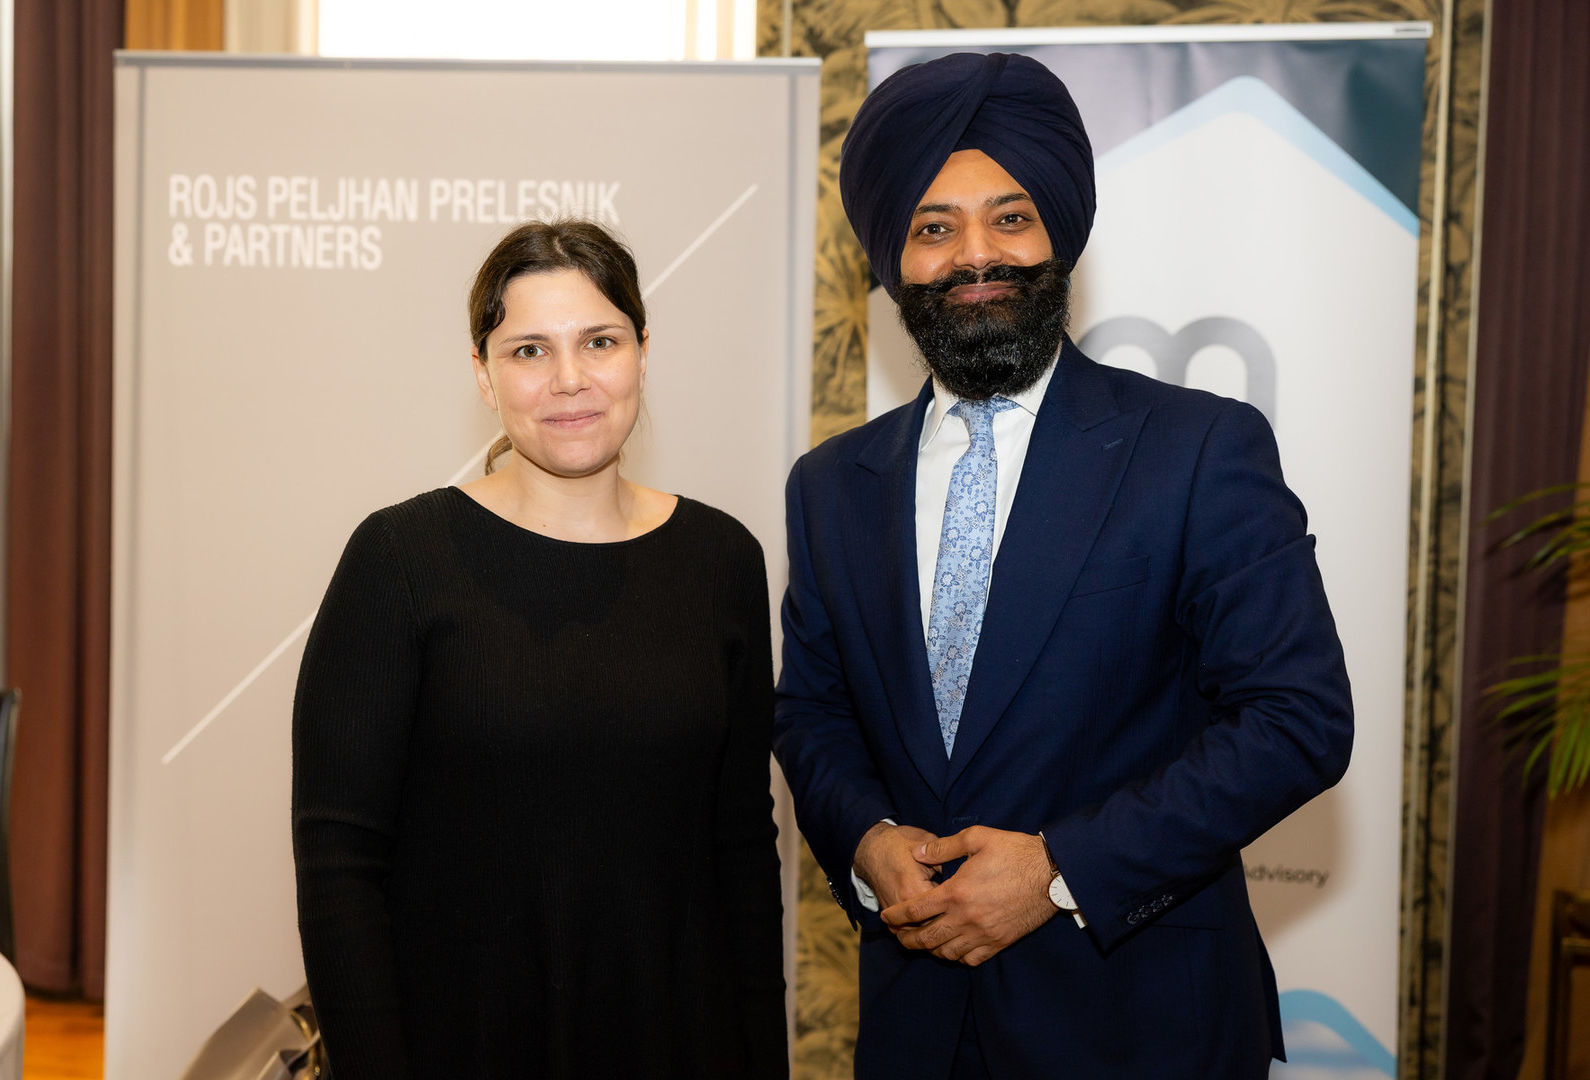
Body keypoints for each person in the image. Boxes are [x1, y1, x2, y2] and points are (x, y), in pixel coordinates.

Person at [773, 51, 1353, 1079]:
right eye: (934, 229)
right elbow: (813, 712)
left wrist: (1057, 870)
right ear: (893, 261)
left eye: (1011, 218)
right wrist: (865, 840)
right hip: (918, 1027)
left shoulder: (1195, 449)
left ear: (1059, 234)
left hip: (1143, 1025)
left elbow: (1295, 719)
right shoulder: (830, 486)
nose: (976, 256)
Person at [292, 219, 787, 1079]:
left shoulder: (722, 561)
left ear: (642, 353)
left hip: (677, 1040)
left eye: (600, 341)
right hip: (464, 1044)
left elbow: (741, 847)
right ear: (483, 374)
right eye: (529, 350)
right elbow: (339, 866)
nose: (569, 379)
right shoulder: (400, 560)